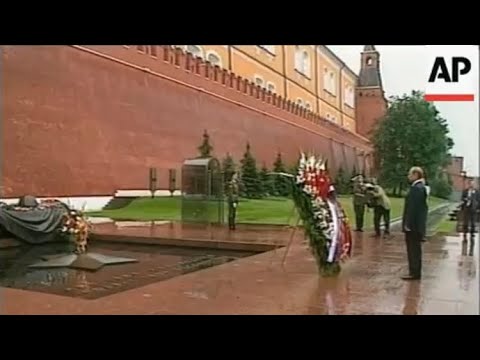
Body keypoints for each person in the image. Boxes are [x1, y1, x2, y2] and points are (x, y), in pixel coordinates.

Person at [401, 166, 428, 281]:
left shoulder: (417, 188)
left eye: (410, 174)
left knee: (413, 249)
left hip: (413, 226)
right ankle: (414, 271)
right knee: (414, 249)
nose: (408, 176)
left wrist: (408, 223)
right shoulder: (420, 187)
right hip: (417, 225)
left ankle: (414, 272)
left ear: (416, 175)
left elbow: (413, 208)